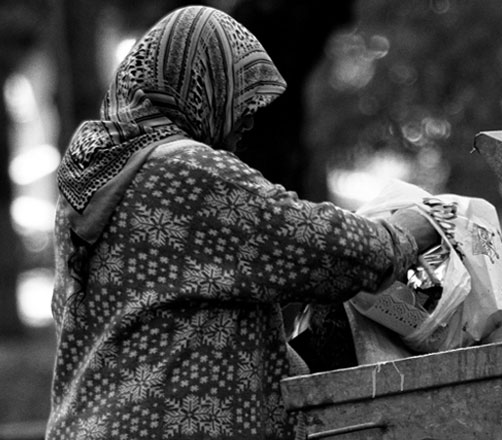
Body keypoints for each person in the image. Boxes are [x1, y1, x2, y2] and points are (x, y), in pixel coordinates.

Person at [48, 6, 437, 440]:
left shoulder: (94, 171)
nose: (249, 120)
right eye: (240, 98)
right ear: (200, 86)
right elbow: (319, 247)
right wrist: (408, 231)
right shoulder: (186, 170)